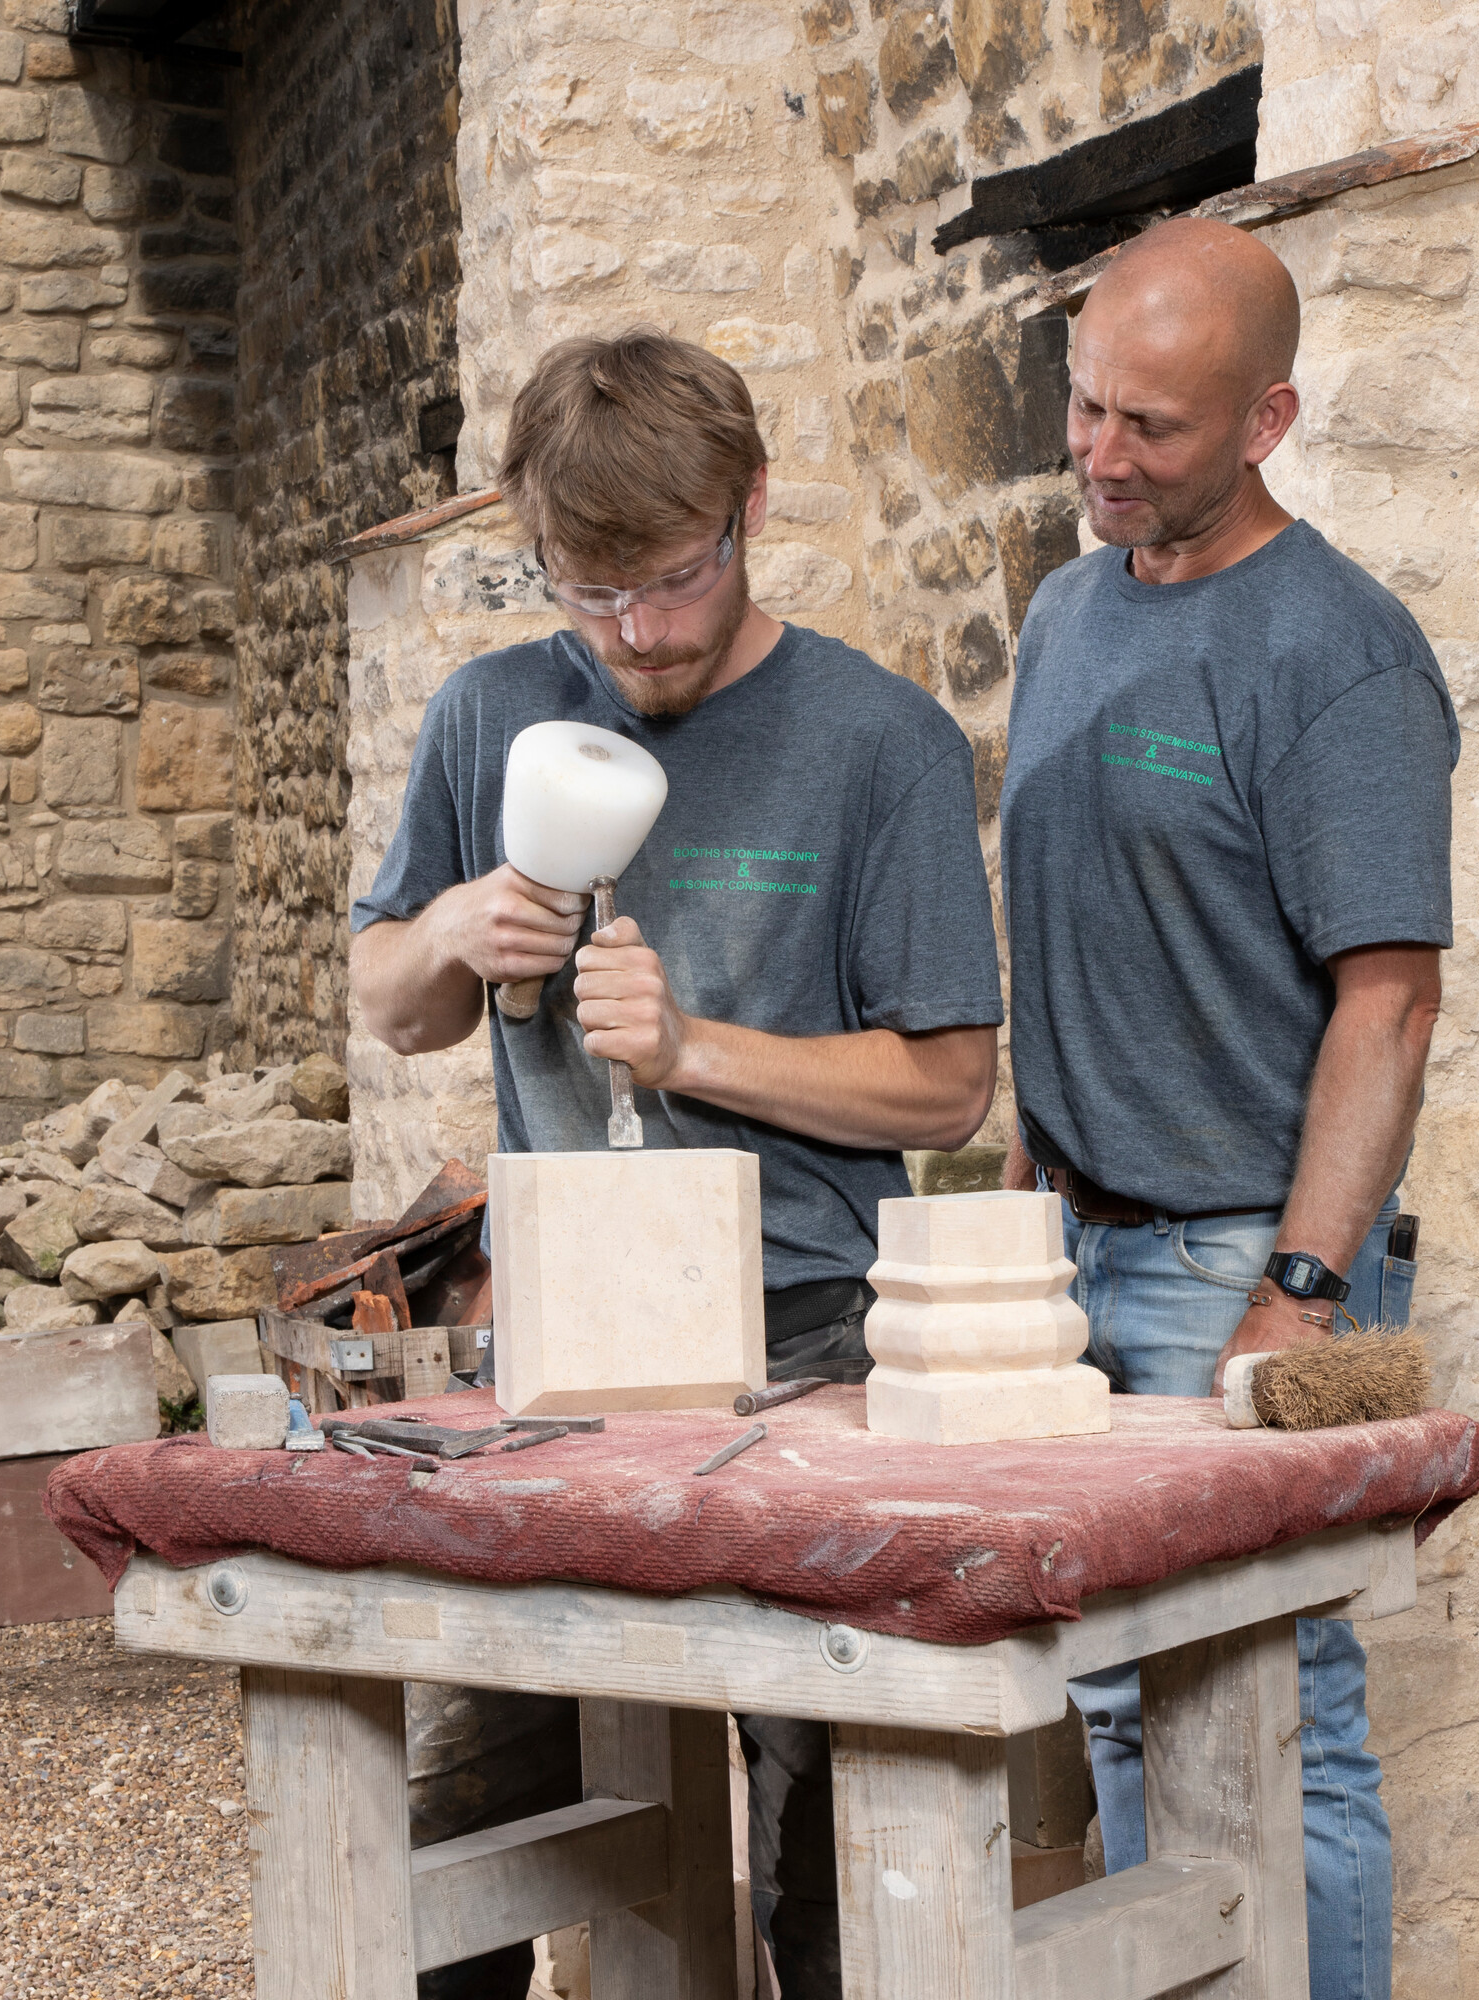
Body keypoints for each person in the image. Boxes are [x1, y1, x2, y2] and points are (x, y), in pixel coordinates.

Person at [350, 330, 1003, 1999]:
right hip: (560, 1356)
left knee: (836, 1864)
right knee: (465, 1840)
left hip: (812, 1345)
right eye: (591, 593)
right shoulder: (493, 713)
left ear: (751, 507)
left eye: (672, 580)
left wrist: (694, 1047)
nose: (638, 632)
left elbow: (948, 1088)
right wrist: (452, 928)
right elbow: (393, 1005)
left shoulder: (880, 741)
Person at [999, 215, 1458, 2000]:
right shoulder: (1064, 610)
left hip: (1243, 1262)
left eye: (1154, 426)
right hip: (1075, 1245)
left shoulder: (1340, 655)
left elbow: (1390, 1003)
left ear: (1267, 422)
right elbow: (1086, 934)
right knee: (1120, 1697)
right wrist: (1025, 1205)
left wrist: (1301, 1295)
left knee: (1283, 1716)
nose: (1102, 455)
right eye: (1085, 407)